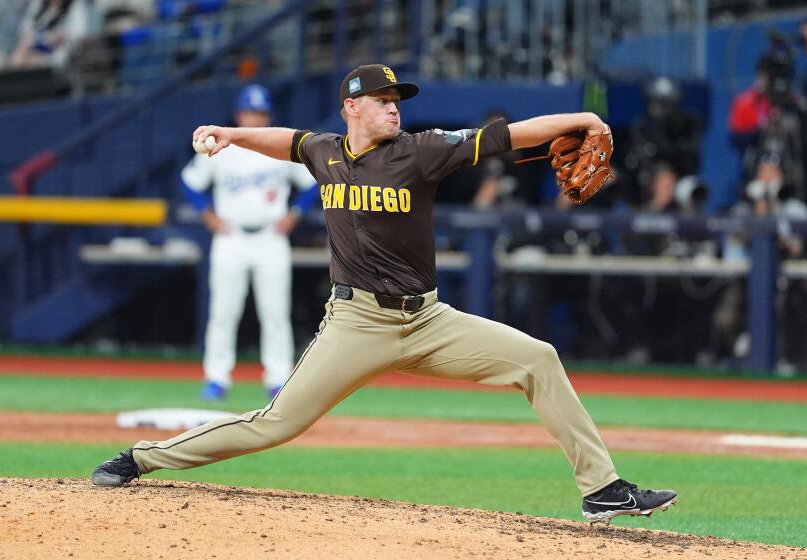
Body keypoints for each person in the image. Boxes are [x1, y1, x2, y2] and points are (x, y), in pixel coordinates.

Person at [92, 64, 677, 524]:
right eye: (384, 100)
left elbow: (506, 137)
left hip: (429, 321)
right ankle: (143, 458)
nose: (395, 107)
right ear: (353, 108)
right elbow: (287, 141)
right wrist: (234, 134)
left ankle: (601, 489)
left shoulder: (420, 152)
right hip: (356, 324)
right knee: (275, 423)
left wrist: (583, 118)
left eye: (399, 100)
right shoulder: (325, 152)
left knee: (538, 359)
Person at [181, 84, 318, 401]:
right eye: (249, 111)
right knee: (223, 312)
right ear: (238, 114)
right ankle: (216, 379)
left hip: (271, 236)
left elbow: (311, 184)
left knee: (276, 313)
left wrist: (295, 213)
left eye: (259, 112)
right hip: (231, 237)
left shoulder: (280, 147)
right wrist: (207, 214)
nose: (254, 117)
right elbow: (189, 183)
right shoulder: (222, 147)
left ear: (268, 115)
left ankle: (279, 378)